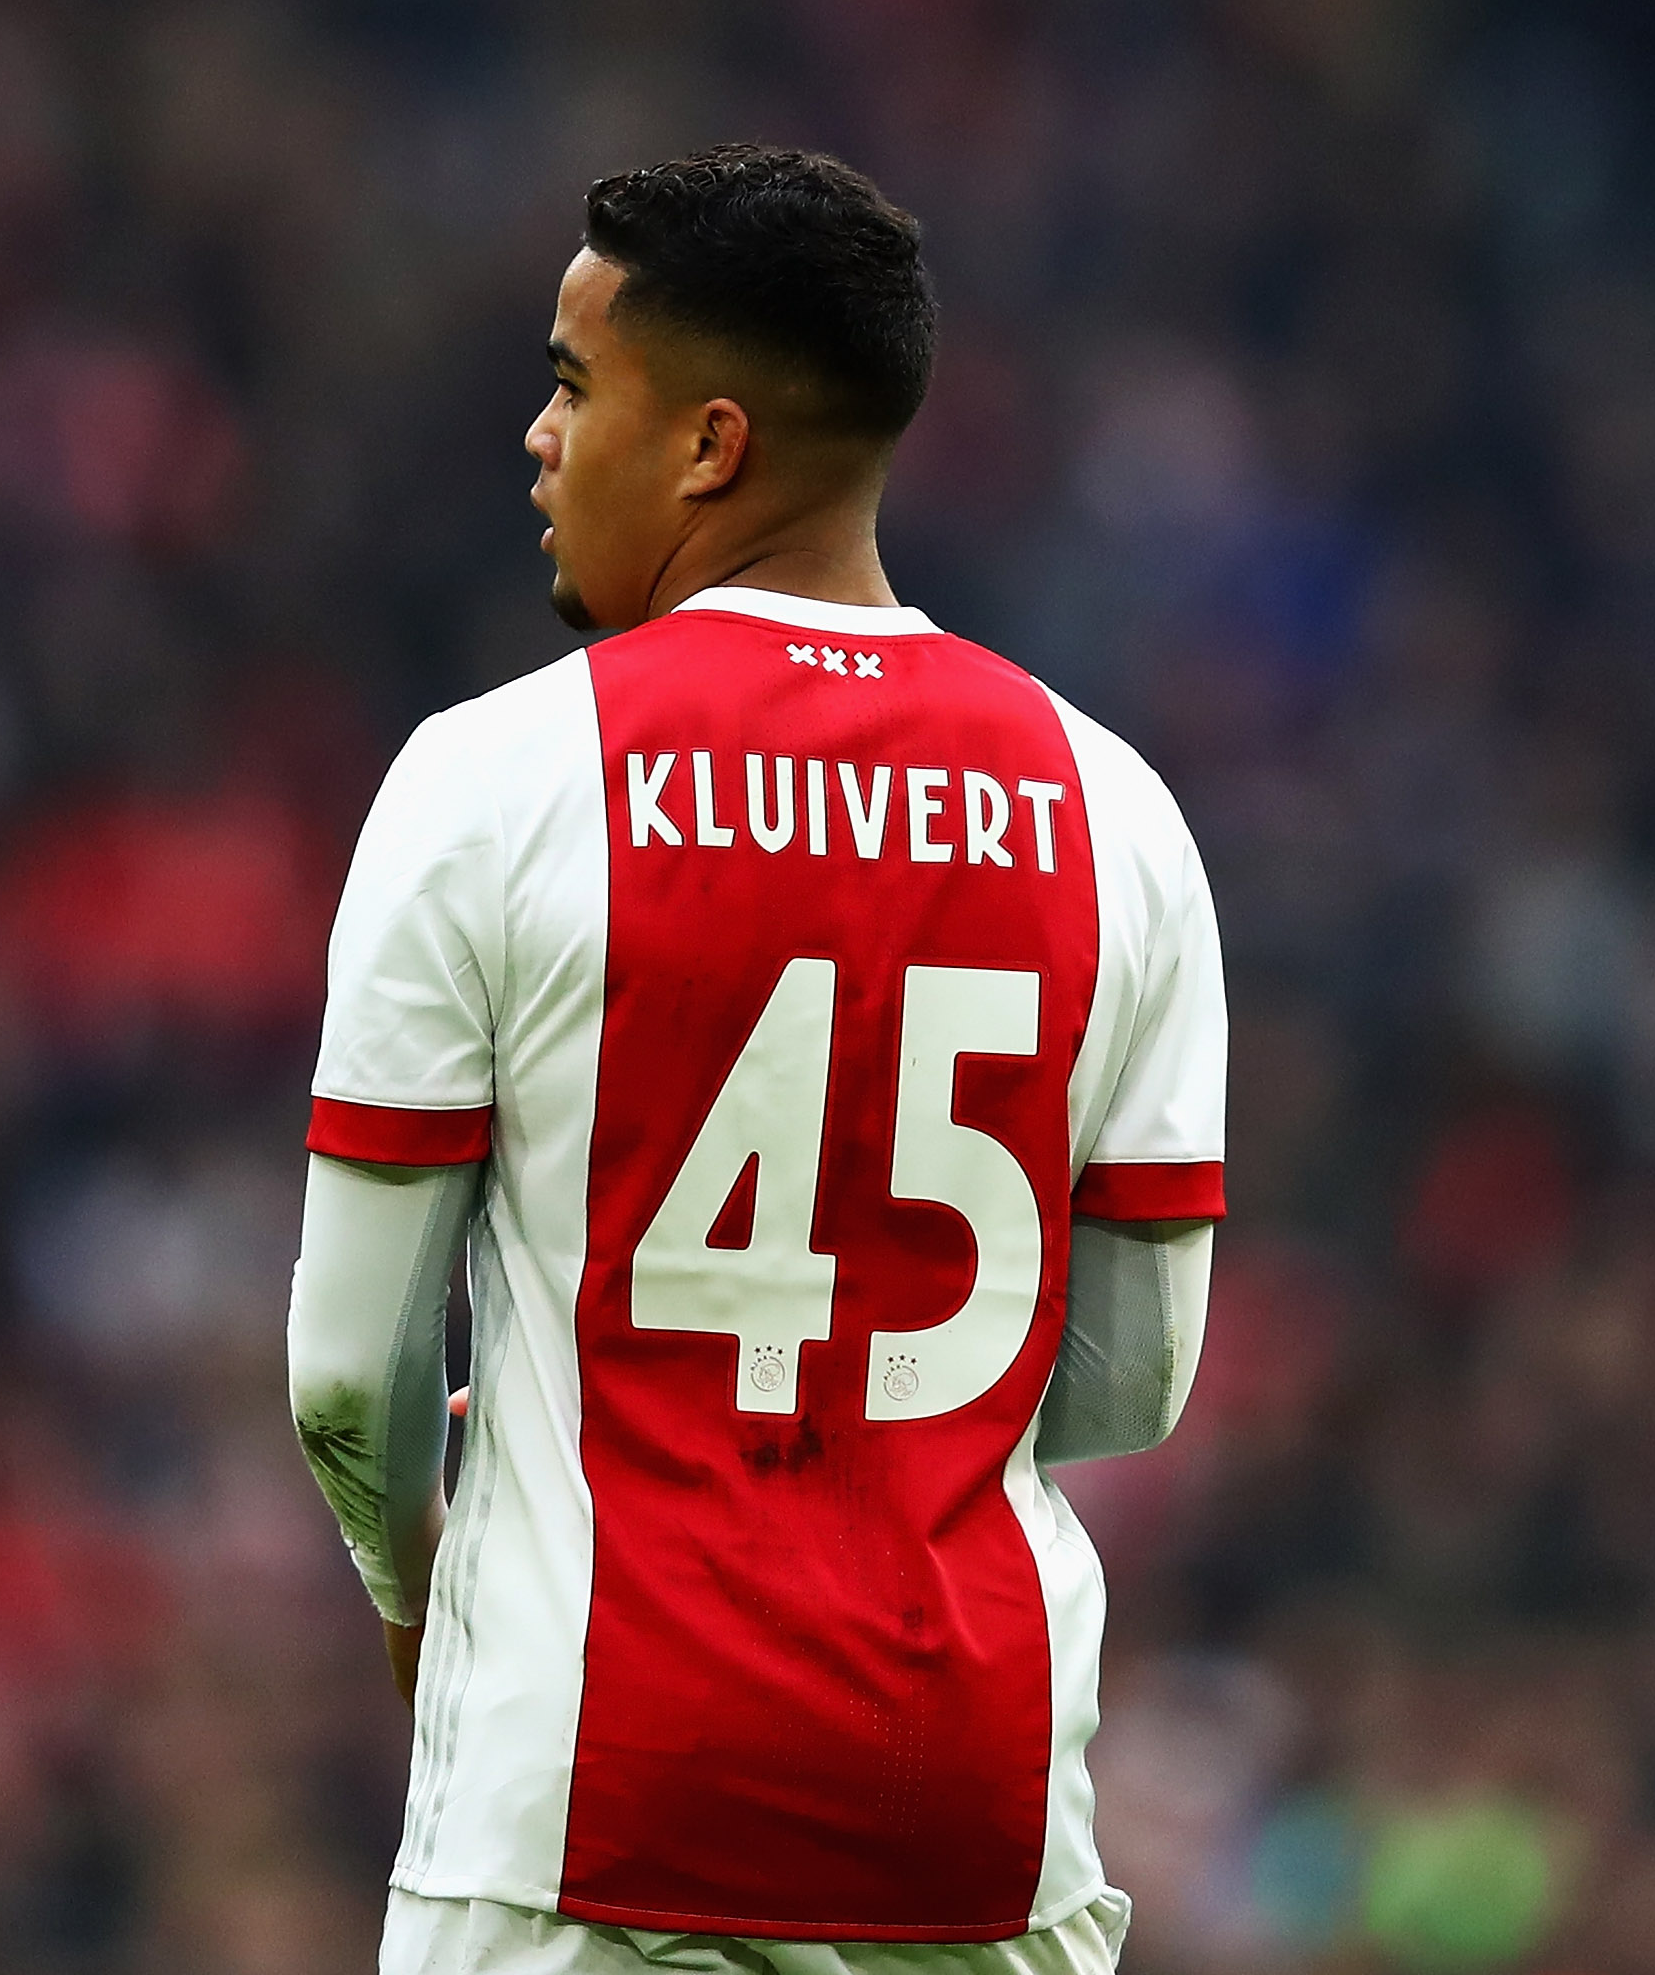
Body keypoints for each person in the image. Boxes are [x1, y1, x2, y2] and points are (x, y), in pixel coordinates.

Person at [289, 145, 1232, 1975]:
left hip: (583, 1811)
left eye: (575, 389)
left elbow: (348, 1377)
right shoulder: (1115, 814)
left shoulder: (490, 785)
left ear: (709, 445)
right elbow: (1137, 1376)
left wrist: (423, 1598)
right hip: (971, 1829)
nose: (541, 442)